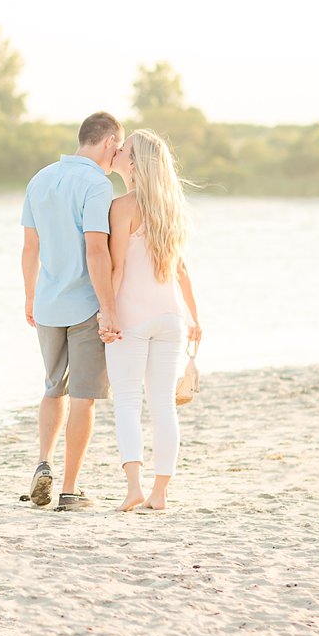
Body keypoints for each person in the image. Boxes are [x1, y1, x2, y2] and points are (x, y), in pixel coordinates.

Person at [20, 111, 124, 510]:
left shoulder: (40, 178)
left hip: (47, 303)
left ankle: (43, 463)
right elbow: (96, 249)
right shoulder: (97, 185)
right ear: (110, 142)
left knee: (52, 387)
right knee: (84, 395)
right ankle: (69, 489)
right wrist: (109, 309)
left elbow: (30, 248)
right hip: (84, 304)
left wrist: (30, 295)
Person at [105, 129, 203, 513]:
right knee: (163, 405)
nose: (117, 151)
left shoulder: (122, 207)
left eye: (124, 149)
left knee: (128, 402)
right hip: (171, 318)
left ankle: (134, 488)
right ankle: (159, 494)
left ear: (133, 162)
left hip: (132, 317)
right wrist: (195, 316)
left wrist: (106, 312)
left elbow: (115, 269)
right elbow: (182, 270)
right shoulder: (172, 208)